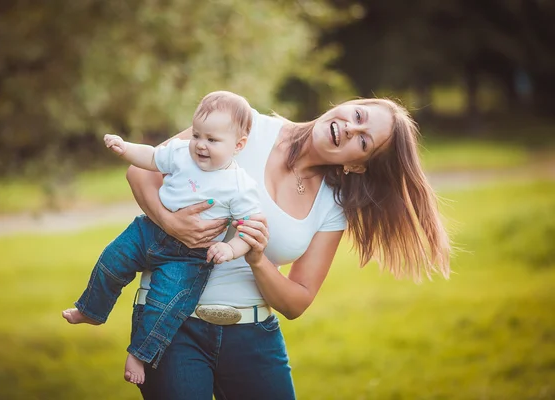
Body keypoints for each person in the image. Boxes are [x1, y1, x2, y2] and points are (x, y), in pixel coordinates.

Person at [127, 96, 451, 400]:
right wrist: (173, 224)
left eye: (363, 141)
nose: (352, 128)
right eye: (358, 115)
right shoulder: (245, 128)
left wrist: (257, 260)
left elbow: (297, 300)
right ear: (348, 104)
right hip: (169, 319)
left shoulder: (332, 205)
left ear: (359, 166)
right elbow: (142, 170)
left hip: (253, 335)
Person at [62, 91, 261, 385]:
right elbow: (151, 157)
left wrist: (229, 249)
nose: (201, 145)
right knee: (111, 261)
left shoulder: (239, 185)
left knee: (165, 305)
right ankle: (91, 309)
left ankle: (140, 354)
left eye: (212, 140)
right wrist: (124, 147)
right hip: (149, 231)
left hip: (190, 256)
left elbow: (249, 227)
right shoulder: (182, 152)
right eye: (197, 135)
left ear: (239, 145)